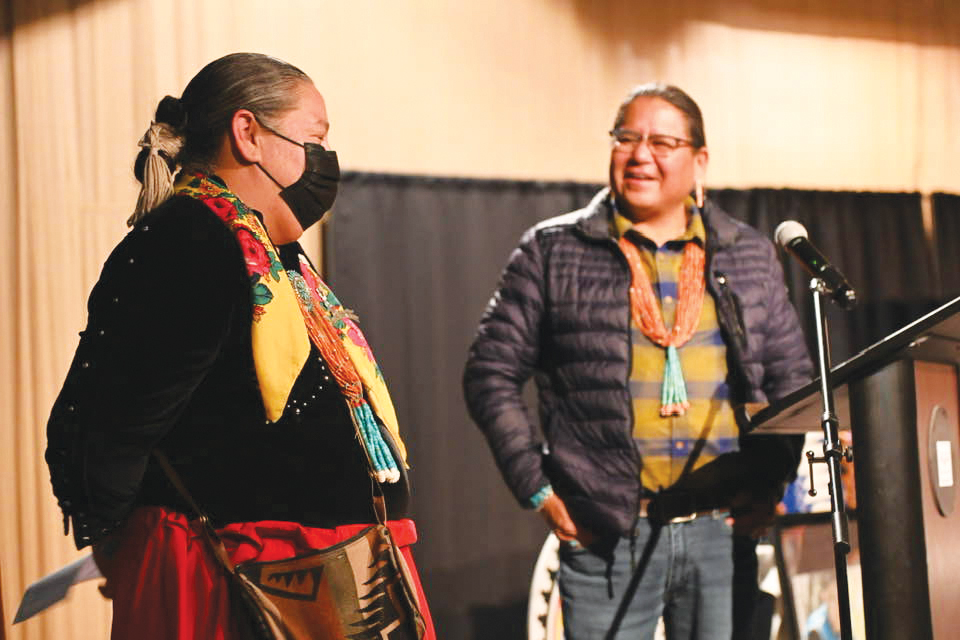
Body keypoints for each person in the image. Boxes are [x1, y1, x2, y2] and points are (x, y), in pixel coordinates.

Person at [45, 52, 434, 639]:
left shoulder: (264, 249)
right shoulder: (188, 239)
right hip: (236, 579)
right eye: (314, 138)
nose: (323, 160)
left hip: (326, 568)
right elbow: (111, 423)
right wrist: (116, 542)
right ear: (248, 134)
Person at [463, 83, 811, 639]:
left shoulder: (746, 253)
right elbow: (490, 374)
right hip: (606, 535)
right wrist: (540, 492)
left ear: (699, 160)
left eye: (662, 141)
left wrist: (772, 484)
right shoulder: (553, 250)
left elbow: (794, 380)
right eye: (627, 137)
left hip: (721, 532)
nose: (640, 154)